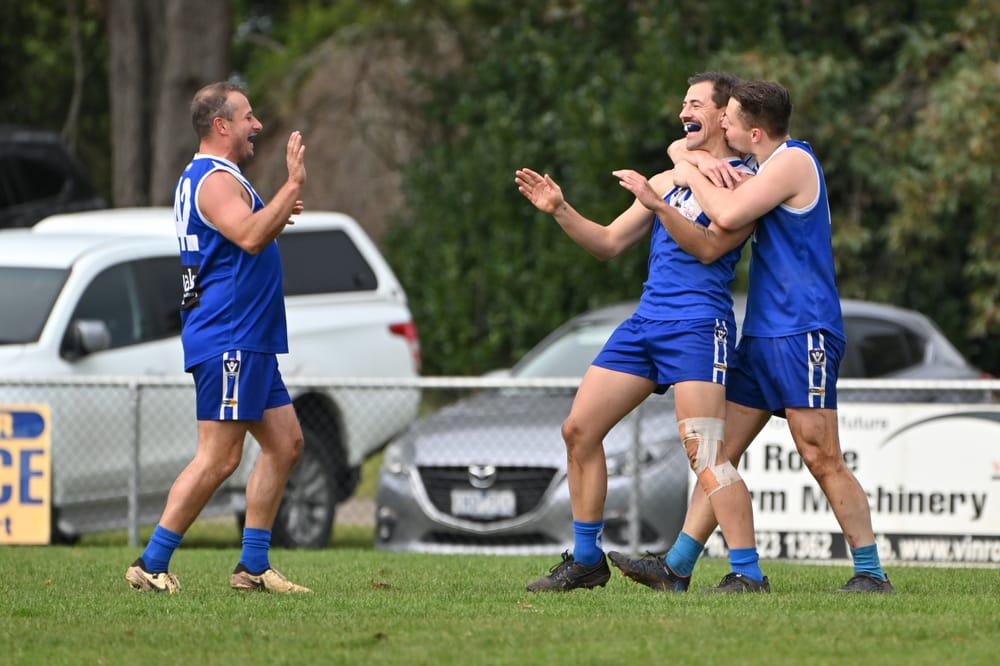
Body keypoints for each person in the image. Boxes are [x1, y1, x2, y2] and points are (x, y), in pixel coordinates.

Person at [613, 79, 893, 593]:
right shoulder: (756, 168)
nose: (722, 124)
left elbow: (723, 214)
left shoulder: (791, 162)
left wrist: (685, 170)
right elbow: (690, 156)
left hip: (803, 328)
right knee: (717, 455)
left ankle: (871, 572)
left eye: (731, 118)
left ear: (755, 131)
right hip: (763, 333)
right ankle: (678, 568)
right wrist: (686, 155)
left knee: (819, 453)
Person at [514, 72, 770, 593]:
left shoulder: (747, 183)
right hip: (646, 323)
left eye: (694, 102)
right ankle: (586, 561)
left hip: (700, 326)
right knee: (579, 430)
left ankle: (748, 572)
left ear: (723, 116)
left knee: (705, 451)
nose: (683, 111)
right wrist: (561, 210)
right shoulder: (670, 174)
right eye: (682, 102)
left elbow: (707, 247)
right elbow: (608, 242)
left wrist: (660, 202)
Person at [125, 81, 311, 594]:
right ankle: (151, 562)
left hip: (248, 339)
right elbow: (250, 236)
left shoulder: (215, 177)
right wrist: (291, 184)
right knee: (220, 456)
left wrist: (275, 210)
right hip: (230, 336)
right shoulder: (212, 179)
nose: (257, 125)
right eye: (248, 117)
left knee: (285, 443)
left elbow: (247, 229)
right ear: (222, 125)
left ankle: (252, 566)